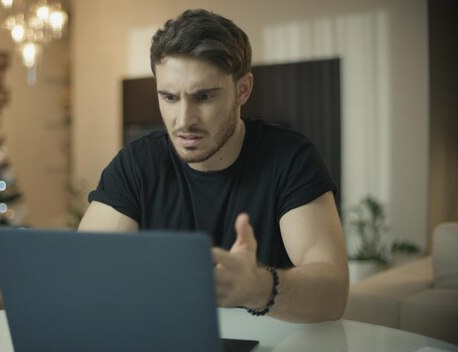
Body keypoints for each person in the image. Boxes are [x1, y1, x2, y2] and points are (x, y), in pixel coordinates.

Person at [78, 9, 348, 323]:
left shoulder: (290, 158)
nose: (183, 121)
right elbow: (85, 270)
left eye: (204, 97)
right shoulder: (137, 164)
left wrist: (259, 287)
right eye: (168, 97)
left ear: (243, 89)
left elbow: (333, 294)